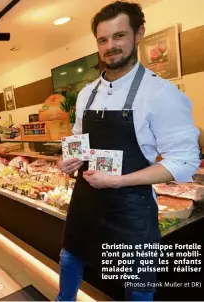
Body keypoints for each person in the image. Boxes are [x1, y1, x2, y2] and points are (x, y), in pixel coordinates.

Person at [57, 1, 201, 301]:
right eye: (103, 39)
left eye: (119, 36)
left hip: (131, 207)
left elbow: (185, 161)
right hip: (86, 200)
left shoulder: (161, 94)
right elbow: (78, 138)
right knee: (70, 258)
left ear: (139, 34)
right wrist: (70, 159)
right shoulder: (86, 94)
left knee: (137, 285)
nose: (110, 46)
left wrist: (118, 181)